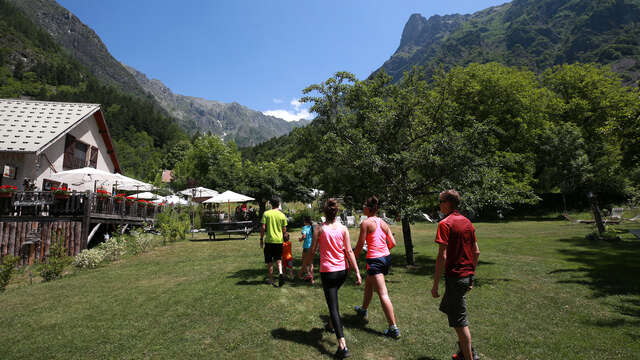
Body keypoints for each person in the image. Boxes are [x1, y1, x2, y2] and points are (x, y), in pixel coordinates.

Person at [304, 198, 361, 358]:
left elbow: (312, 251)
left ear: (324, 212)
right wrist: (357, 271)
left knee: (333, 307)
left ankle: (342, 346)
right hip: (343, 272)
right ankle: (330, 324)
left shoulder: (319, 229)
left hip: (328, 273)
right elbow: (349, 251)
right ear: (336, 212)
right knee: (333, 297)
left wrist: (304, 268)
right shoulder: (343, 229)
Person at [431, 190, 480, 360]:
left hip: (455, 278)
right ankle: (464, 351)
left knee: (460, 322)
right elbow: (476, 252)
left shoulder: (445, 224)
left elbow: (442, 256)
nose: (439, 204)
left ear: (447, 203)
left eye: (440, 201)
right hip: (464, 278)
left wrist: (435, 284)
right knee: (448, 308)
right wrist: (471, 277)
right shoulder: (467, 222)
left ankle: (469, 355)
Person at [353, 195, 400, 339]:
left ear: (368, 209)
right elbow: (392, 243)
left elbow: (360, 245)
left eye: (363, 206)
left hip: (375, 260)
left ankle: (393, 328)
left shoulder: (366, 223)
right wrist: (382, 251)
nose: (362, 208)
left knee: (383, 293)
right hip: (385, 258)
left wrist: (352, 258)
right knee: (368, 283)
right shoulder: (383, 222)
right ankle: (363, 310)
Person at [260, 197, 288, 287]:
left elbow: (263, 228)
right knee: (278, 259)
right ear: (278, 204)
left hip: (269, 241)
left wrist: (261, 239)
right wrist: (285, 237)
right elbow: (284, 229)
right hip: (279, 241)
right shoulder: (282, 215)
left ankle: (271, 279)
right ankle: (280, 272)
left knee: (269, 261)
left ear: (271, 204)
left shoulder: (266, 213)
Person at [298, 216, 314, 284]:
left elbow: (304, 236)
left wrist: (300, 239)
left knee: (304, 261)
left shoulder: (305, 227)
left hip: (306, 247)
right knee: (310, 263)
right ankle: (312, 279)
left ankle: (308, 275)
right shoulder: (312, 227)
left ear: (305, 221)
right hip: (312, 246)